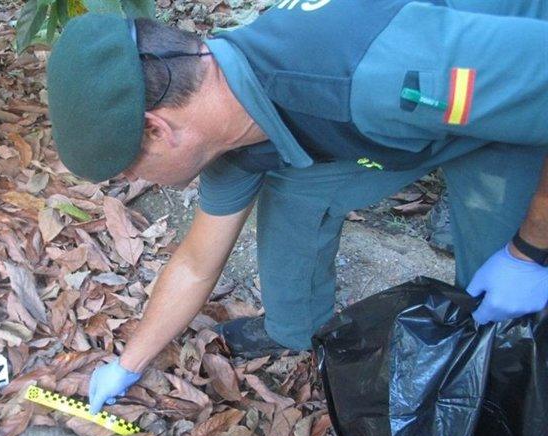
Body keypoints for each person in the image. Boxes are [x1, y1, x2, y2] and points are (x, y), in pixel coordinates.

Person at [45, 0, 548, 414]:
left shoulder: (370, 76)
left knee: (500, 304)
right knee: (294, 189)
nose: (132, 181)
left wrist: (530, 252)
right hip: (419, 114)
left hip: (512, 105)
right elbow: (197, 263)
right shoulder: (228, 113)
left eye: (127, 169)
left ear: (158, 129)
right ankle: (295, 329)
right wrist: (128, 364)